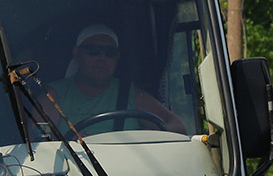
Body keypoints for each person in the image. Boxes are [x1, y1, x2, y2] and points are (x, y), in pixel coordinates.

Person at [47, 25, 187, 134]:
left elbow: (177, 126)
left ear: (117, 58)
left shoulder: (131, 95)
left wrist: (144, 139)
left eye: (109, 52)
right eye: (93, 50)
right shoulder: (54, 96)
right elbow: (38, 139)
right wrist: (66, 145)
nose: (102, 58)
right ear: (77, 54)